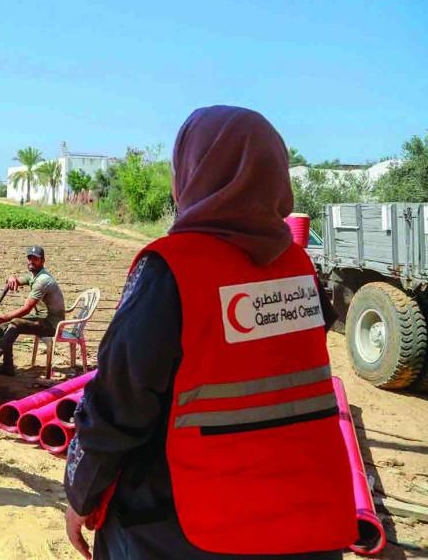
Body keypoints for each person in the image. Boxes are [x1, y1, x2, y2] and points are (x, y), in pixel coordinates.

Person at [63, 106, 357, 559]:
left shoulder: (172, 268)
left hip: (195, 524)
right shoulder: (300, 269)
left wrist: (81, 495)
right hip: (307, 520)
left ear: (192, 173)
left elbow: (117, 405)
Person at [0, 246, 66, 376]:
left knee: (15, 323)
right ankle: (7, 366)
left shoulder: (43, 280)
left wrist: (3, 317)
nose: (31, 261)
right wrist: (12, 277)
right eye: (30, 258)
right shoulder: (34, 276)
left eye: (35, 259)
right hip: (41, 319)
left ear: (43, 261)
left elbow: (26, 309)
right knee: (4, 324)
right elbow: (17, 280)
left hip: (52, 325)